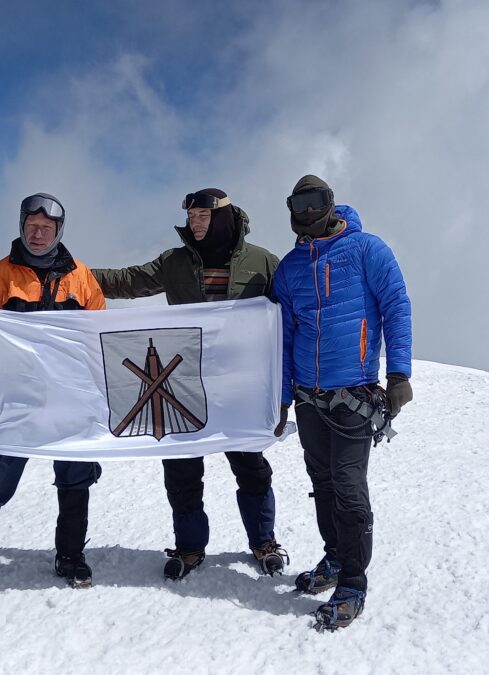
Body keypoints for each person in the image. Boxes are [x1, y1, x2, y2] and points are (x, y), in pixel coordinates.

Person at [91, 188, 287, 580]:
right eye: (192, 217)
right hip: (184, 384)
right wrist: (74, 275)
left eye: (203, 217)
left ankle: (263, 542)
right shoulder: (175, 262)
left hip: (240, 387)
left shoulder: (263, 263)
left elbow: (287, 319)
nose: (195, 224)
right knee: (181, 470)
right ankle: (190, 547)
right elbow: (129, 281)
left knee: (251, 469)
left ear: (223, 217)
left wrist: (283, 394)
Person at [271, 175, 413, 630]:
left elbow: (396, 307)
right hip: (309, 398)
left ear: (330, 204)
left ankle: (352, 582)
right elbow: (284, 335)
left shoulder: (367, 249)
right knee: (324, 482)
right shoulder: (290, 268)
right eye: (299, 203)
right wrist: (282, 398)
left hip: (353, 394)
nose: (308, 210)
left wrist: (399, 374)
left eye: (316, 201)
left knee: (349, 490)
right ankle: (334, 560)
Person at [0, 193, 107, 598]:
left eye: (46, 228)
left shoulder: (81, 278)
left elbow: (99, 341)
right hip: (15, 399)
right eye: (31, 226)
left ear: (58, 231)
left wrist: (100, 399)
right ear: (21, 227)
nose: (38, 234)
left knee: (76, 476)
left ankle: (70, 555)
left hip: (69, 398)